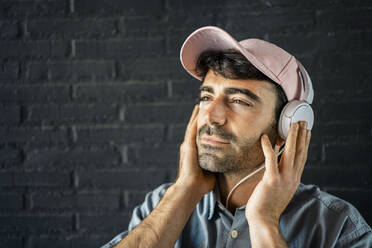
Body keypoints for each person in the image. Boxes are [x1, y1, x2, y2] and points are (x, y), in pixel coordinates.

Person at [101, 26, 372, 248]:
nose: (212, 116)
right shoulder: (162, 204)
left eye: (240, 100)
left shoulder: (339, 227)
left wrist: (264, 221)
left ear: (288, 126)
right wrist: (184, 191)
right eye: (207, 97)